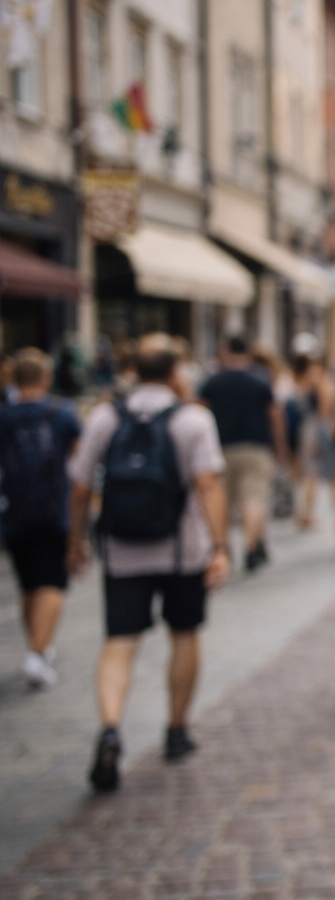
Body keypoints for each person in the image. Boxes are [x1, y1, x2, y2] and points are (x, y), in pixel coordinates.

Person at [68, 334, 230, 792]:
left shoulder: (105, 416)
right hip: (182, 551)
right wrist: (220, 546)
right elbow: (208, 484)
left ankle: (110, 727)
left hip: (121, 549)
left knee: (119, 642)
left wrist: (75, 540)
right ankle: (176, 729)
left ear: (132, 370)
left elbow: (80, 485)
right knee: (185, 634)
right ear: (176, 370)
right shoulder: (193, 419)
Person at [0, 349, 81, 688]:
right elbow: (80, 461)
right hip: (54, 512)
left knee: (29, 585)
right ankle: (37, 652)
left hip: (14, 513)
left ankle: (39, 647)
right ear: (46, 378)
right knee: (52, 583)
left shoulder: (5, 416)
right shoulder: (62, 413)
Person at [199, 336, 290, 571]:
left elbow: (200, 412)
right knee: (254, 498)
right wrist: (280, 445)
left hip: (220, 447)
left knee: (223, 500)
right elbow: (275, 414)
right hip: (256, 446)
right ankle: (251, 547)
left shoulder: (213, 381)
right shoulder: (259, 380)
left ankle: (224, 549)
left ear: (225, 352)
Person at [291, 350, 335, 530]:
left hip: (313, 428)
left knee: (315, 472)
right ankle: (307, 512)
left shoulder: (316, 382)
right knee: (315, 472)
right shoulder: (321, 381)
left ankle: (307, 512)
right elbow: (325, 409)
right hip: (316, 429)